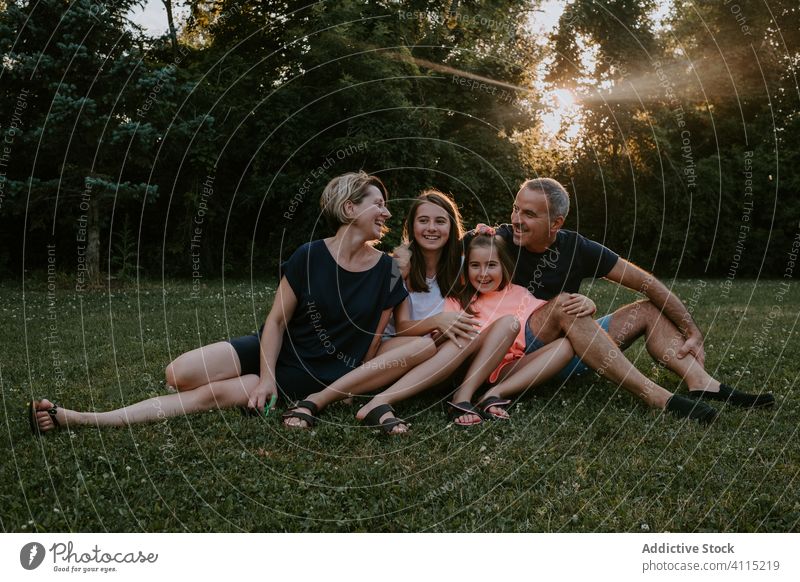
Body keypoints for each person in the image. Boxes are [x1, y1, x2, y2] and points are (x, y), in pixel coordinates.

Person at [28, 172, 435, 434]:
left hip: (315, 371)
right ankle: (252, 380)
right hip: (273, 347)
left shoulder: (387, 270)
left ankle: (78, 418)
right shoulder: (308, 256)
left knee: (208, 397)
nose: (386, 211)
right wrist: (266, 375)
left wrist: (342, 388)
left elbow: (373, 340)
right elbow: (275, 322)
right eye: (377, 203)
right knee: (178, 373)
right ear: (350, 209)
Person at [487, 177, 775, 423]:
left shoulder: (576, 247)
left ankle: (701, 382)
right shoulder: (496, 241)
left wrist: (692, 331)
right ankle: (657, 397)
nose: (515, 220)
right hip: (519, 360)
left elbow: (648, 284)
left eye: (528, 214)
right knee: (567, 305)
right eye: (515, 209)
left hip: (569, 350)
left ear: (556, 222)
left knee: (648, 310)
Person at [440, 226, 581, 426]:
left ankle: (493, 394)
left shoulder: (520, 294)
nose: (483, 273)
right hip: (469, 367)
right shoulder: (457, 300)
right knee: (508, 323)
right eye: (474, 265)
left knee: (565, 346)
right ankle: (461, 397)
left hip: (505, 370)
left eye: (491, 265)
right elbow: (446, 341)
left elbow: (555, 313)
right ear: (466, 268)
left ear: (503, 265)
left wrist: (586, 302)